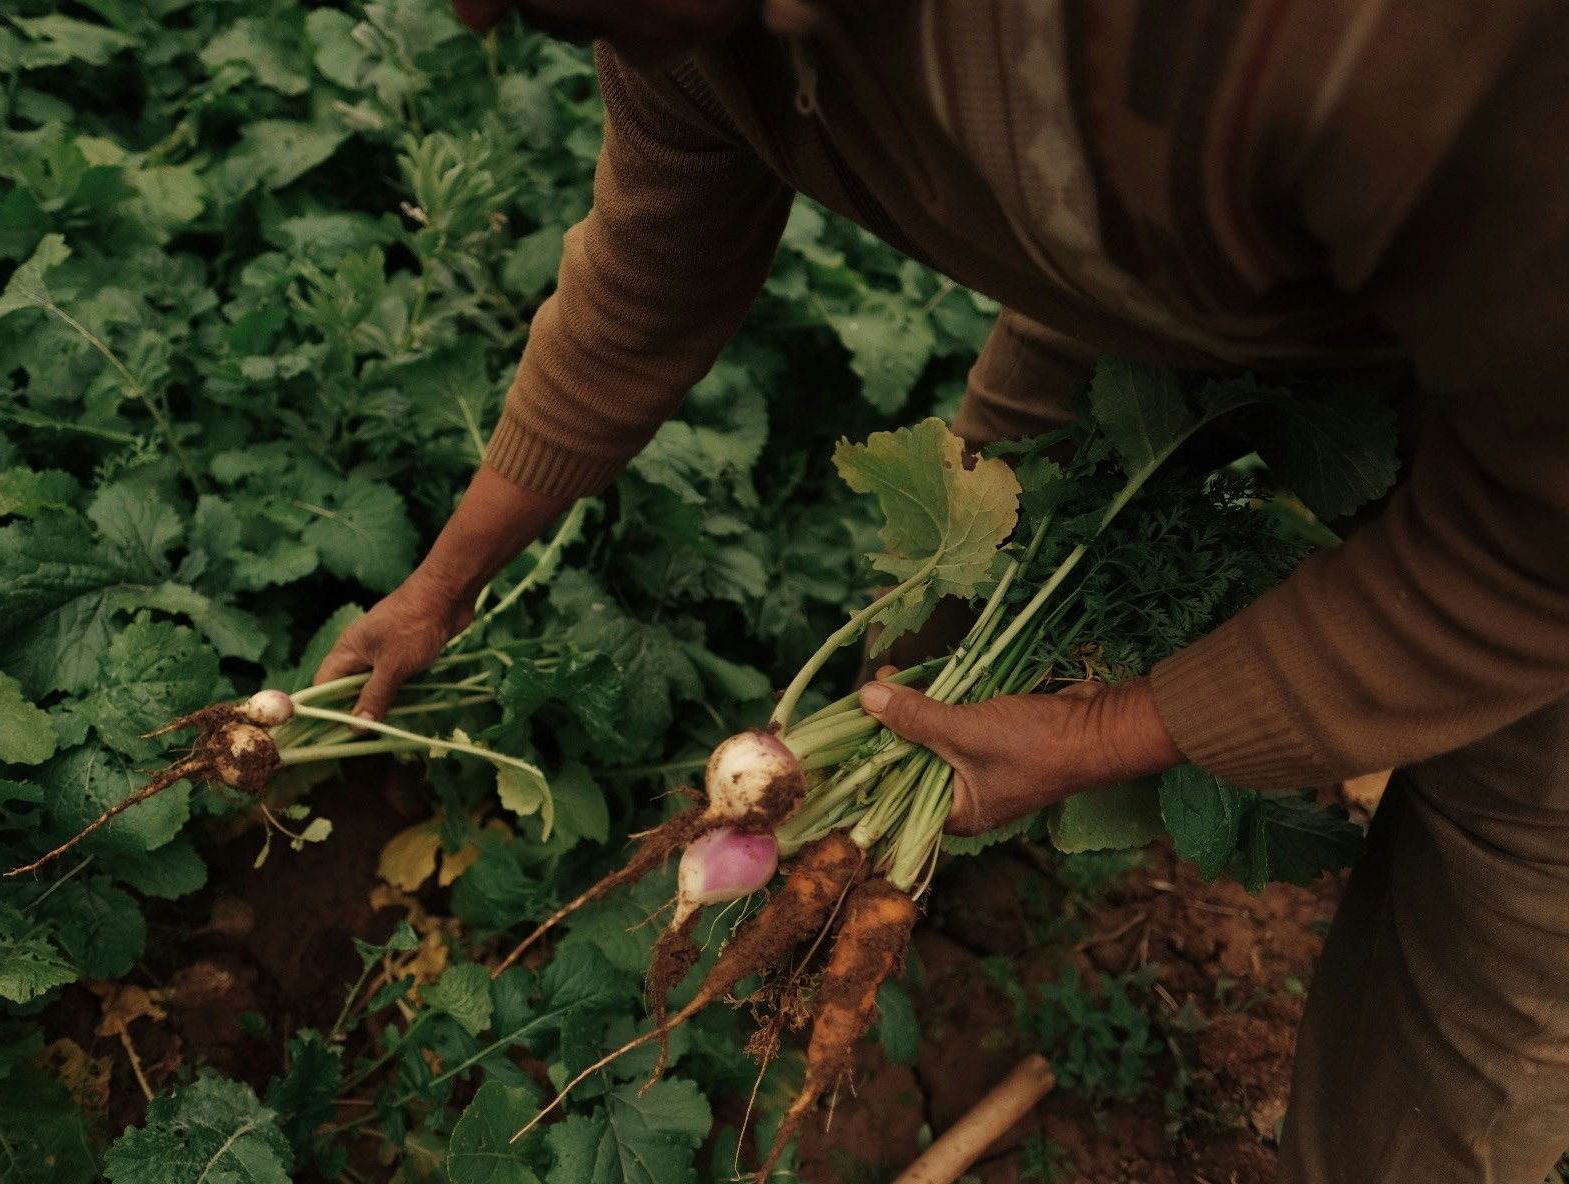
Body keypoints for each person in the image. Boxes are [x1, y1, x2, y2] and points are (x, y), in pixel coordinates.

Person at [312, 2, 1569, 1179]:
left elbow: (1541, 547)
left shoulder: (1376, 48)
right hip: (1163, 269)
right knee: (975, 562)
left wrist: (1093, 737)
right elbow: (646, 277)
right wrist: (440, 582)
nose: (486, 14)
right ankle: (889, 863)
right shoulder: (663, 23)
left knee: (1502, 927)